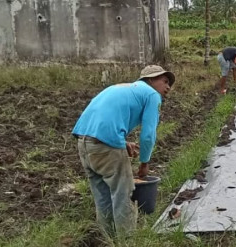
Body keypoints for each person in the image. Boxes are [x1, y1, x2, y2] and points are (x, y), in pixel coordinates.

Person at [72, 65, 175, 236]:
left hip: (84, 143)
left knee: (103, 196)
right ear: (150, 80)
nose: (168, 87)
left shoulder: (119, 88)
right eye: (164, 81)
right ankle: (127, 243)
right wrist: (144, 163)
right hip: (106, 146)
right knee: (124, 194)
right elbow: (148, 135)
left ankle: (108, 240)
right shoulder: (152, 95)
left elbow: (102, 120)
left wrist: (122, 142)